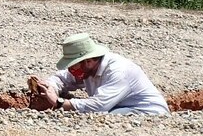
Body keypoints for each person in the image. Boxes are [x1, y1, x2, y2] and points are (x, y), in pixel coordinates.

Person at [29, 33, 169, 115]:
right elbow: (62, 78)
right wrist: (49, 87)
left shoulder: (118, 71)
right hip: (118, 106)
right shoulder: (87, 68)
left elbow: (99, 106)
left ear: (88, 61)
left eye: (73, 66)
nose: (71, 71)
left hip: (147, 112)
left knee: (99, 118)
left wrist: (59, 103)